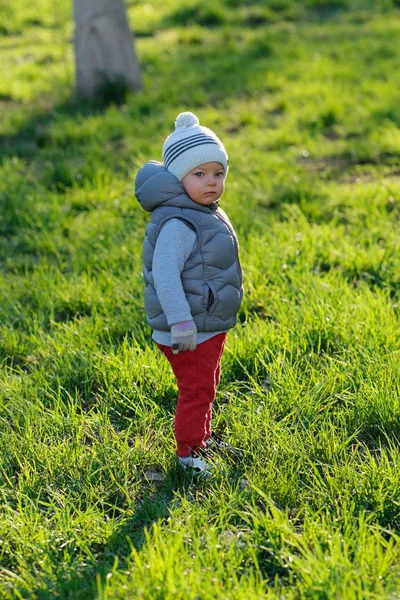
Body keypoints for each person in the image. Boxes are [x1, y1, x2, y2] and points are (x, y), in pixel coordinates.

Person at [135, 111, 243, 476]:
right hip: (189, 328)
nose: (211, 182)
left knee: (206, 385)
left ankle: (203, 438)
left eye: (218, 173)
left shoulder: (200, 210)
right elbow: (165, 274)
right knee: (196, 391)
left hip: (205, 322)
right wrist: (182, 323)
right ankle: (189, 455)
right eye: (199, 174)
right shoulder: (179, 222)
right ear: (178, 178)